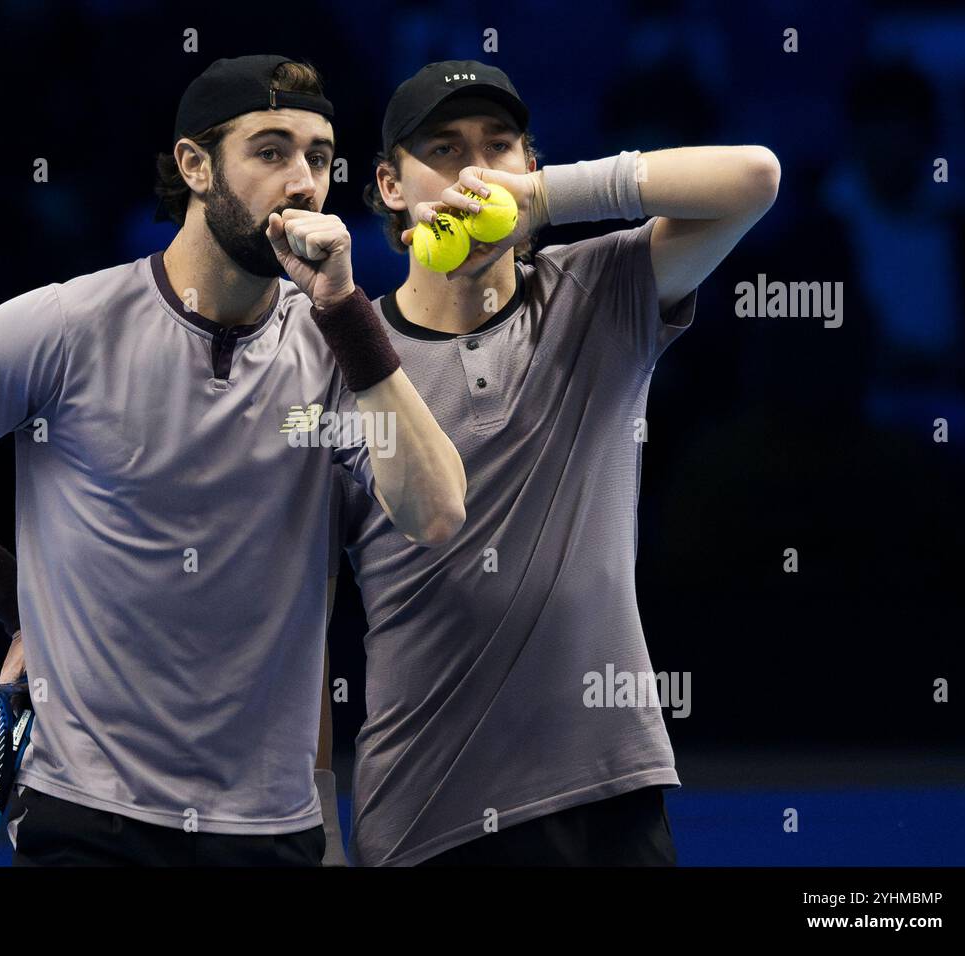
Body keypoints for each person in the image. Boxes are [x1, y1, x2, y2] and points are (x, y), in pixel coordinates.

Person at [0, 54, 465, 866]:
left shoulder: (338, 346)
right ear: (195, 166)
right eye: (270, 152)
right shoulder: (65, 325)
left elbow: (436, 512)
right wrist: (9, 596)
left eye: (320, 158)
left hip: (272, 828)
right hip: (88, 814)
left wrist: (342, 308)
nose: (302, 182)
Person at [323, 59, 779, 866]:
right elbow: (299, 623)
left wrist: (544, 199)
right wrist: (320, 834)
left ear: (532, 167)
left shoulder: (599, 291)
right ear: (391, 186)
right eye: (446, 149)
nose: (475, 171)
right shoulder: (341, 364)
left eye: (500, 147)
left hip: (612, 797)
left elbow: (754, 176)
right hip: (429, 822)